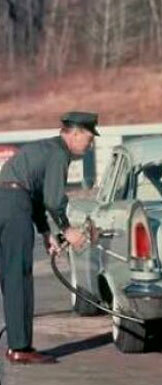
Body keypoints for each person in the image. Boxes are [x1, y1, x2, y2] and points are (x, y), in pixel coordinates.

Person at [0, 111, 99, 364]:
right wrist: (68, 231)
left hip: (8, 200)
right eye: (89, 138)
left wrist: (45, 232)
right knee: (18, 277)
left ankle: (17, 344)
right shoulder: (58, 153)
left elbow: (33, 195)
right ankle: (20, 348)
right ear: (74, 134)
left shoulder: (43, 148)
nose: (91, 145)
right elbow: (54, 200)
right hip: (14, 207)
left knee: (8, 274)